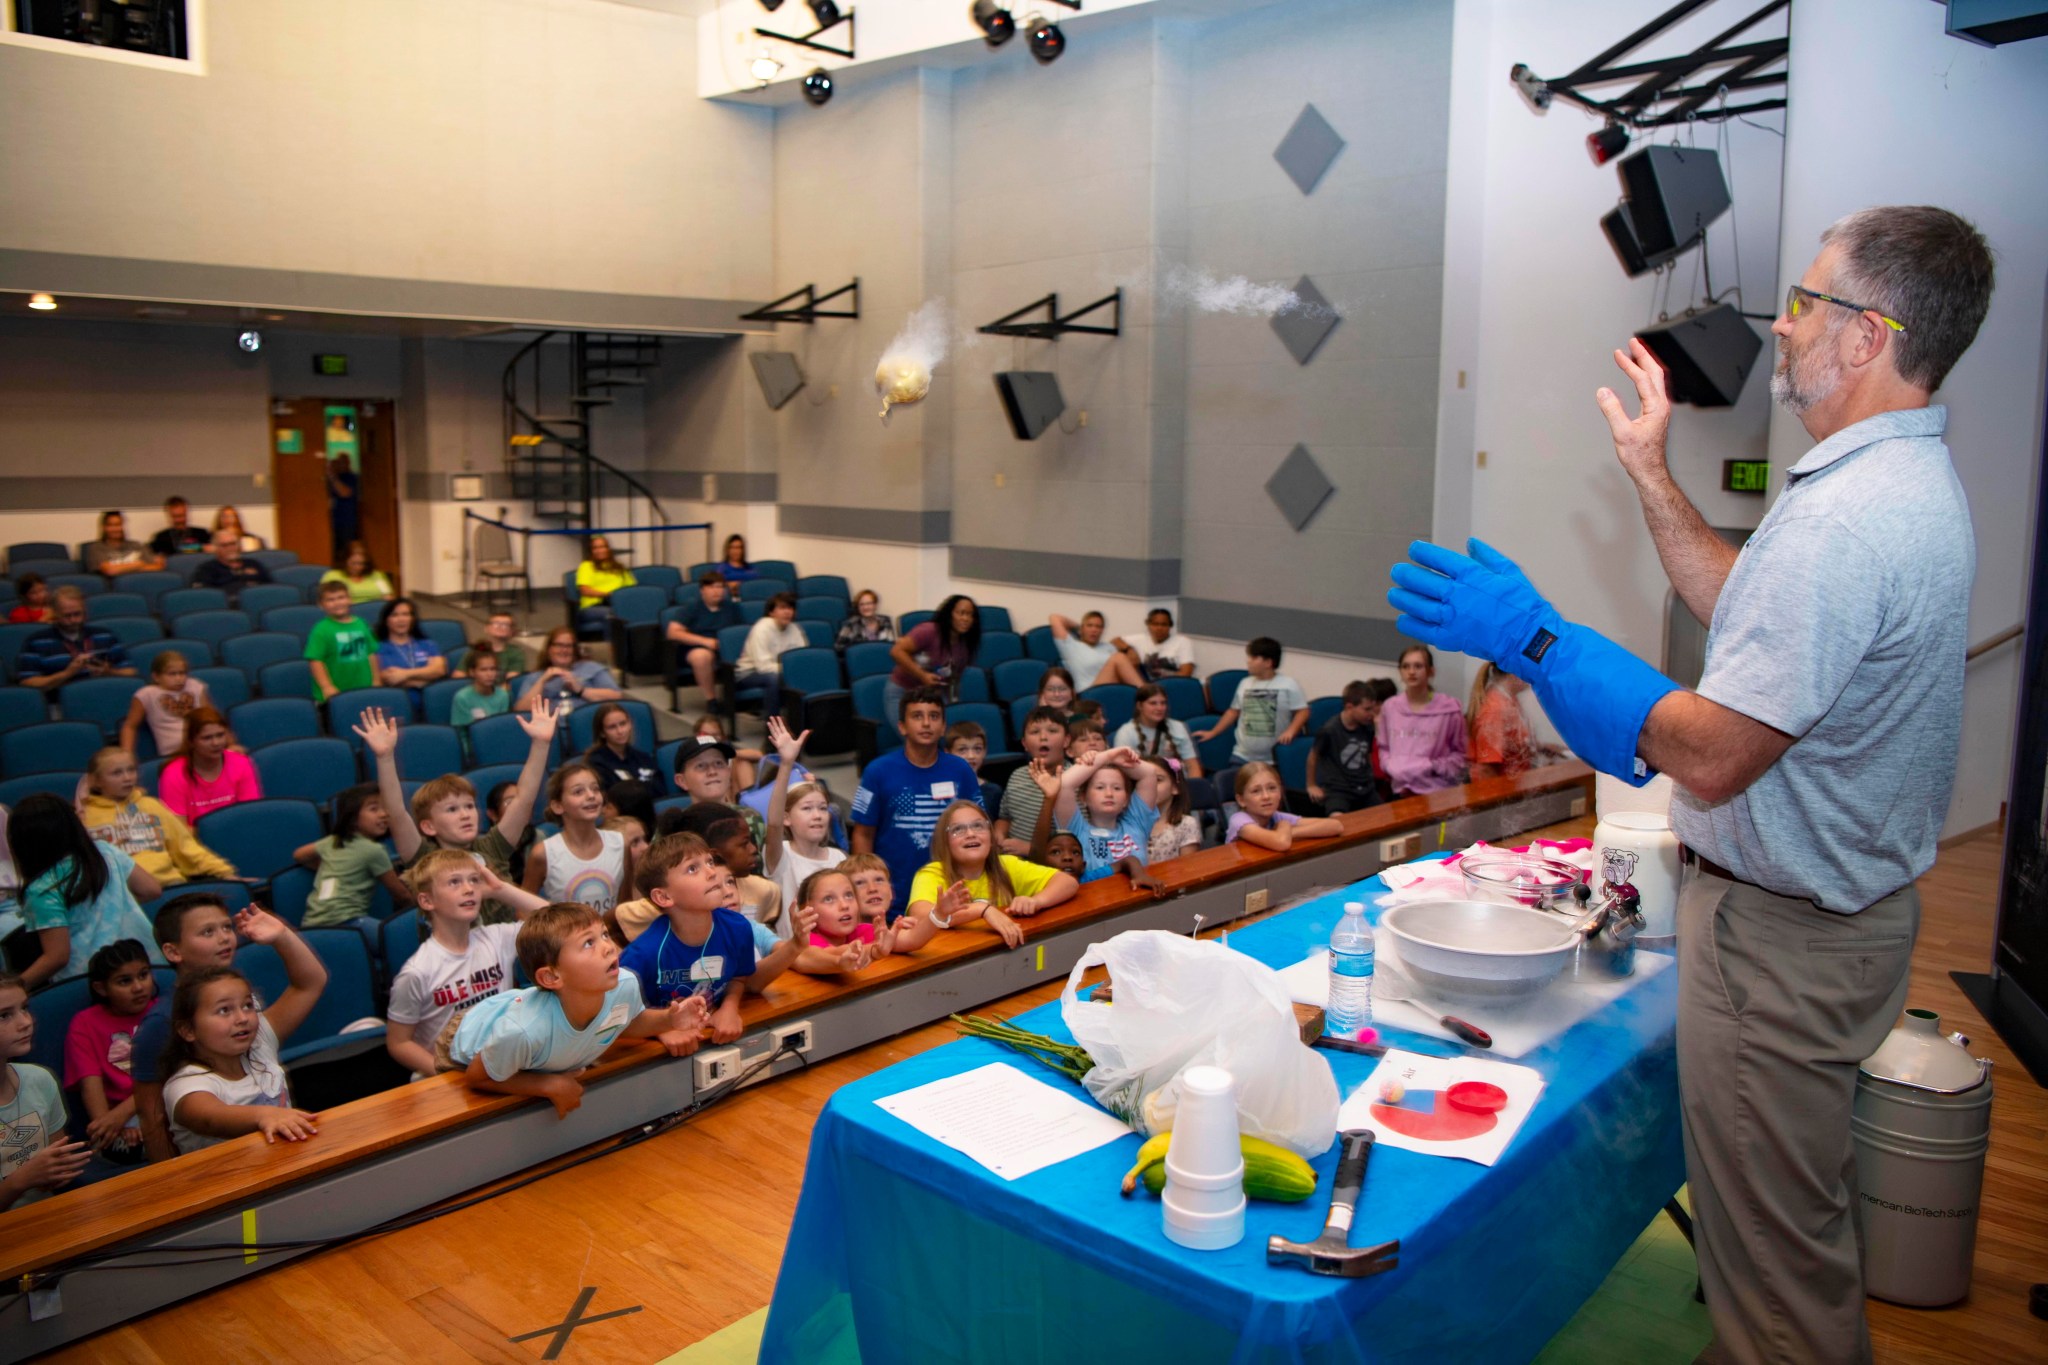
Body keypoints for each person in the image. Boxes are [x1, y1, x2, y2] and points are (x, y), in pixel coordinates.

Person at [1385, 207, 1995, 1365]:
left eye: (1808, 300)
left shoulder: (1850, 521)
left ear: (1868, 335)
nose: (1781, 320)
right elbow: (1746, 608)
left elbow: (1714, 750)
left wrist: (1541, 644)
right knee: (1760, 1237)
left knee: (1775, 1270)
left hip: (1785, 943)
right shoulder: (1888, 488)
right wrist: (1648, 474)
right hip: (1820, 927)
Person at [129, 894, 316, 1162]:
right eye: (208, 931)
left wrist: (282, 936)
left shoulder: (256, 1034)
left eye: (227, 927)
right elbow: (157, 1116)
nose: (224, 938)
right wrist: (171, 1185)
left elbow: (308, 984)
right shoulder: (161, 1025)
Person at [363, 701, 558, 924]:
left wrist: (541, 744)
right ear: (428, 826)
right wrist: (385, 758)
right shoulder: (424, 858)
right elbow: (396, 813)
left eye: (469, 806)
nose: (465, 814)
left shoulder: (491, 847)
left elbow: (523, 800)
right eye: (452, 810)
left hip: (502, 951)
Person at [385, 849, 549, 1080]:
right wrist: (448, 1075)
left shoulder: (496, 938)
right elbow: (399, 1043)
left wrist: (501, 889)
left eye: (474, 880)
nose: (469, 888)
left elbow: (556, 919)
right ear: (427, 900)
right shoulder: (417, 971)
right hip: (447, 1077)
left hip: (501, 1067)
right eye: (454, 882)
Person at [160, 962, 324, 1154]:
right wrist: (264, 1115)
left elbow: (310, 983)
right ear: (188, 1030)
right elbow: (210, 1118)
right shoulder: (186, 1084)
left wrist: (281, 935)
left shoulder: (259, 1046)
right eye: (224, 1010)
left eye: (247, 1006)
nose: (242, 1018)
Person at [851, 686, 986, 918]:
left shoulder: (960, 769)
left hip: (953, 893)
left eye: (933, 717)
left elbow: (980, 827)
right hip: (894, 897)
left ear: (943, 726)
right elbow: (863, 834)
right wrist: (866, 891)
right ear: (902, 726)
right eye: (917, 716)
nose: (926, 724)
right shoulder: (877, 771)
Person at [8, 793, 163, 989]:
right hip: (149, 971)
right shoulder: (105, 852)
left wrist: (14, 989)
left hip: (92, 986)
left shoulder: (41, 890)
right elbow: (151, 889)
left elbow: (56, 957)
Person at [906, 799, 1075, 948]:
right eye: (958, 829)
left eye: (978, 826)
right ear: (945, 842)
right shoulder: (932, 873)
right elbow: (921, 915)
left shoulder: (1006, 865)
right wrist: (982, 910)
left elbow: (1067, 882)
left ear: (991, 836)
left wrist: (1036, 901)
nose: (971, 834)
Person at [80, 747, 239, 888]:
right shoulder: (85, 817)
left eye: (131, 770)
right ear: (96, 781)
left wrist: (224, 873)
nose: (127, 778)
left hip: (169, 885)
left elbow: (186, 848)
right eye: (117, 773)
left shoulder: (152, 805)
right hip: (123, 895)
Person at [62, 939, 156, 1164]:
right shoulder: (84, 1023)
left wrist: (121, 1115)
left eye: (143, 975)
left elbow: (172, 1075)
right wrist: (112, 1127)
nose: (138, 987)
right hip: (124, 1121)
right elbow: (90, 1084)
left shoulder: (162, 1011)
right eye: (125, 981)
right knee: (120, 1146)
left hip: (168, 1103)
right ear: (101, 988)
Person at [0, 974, 89, 1209]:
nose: (26, 1021)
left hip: (45, 1215)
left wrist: (57, 1172)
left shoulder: (39, 1080)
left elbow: (56, 1168)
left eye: (24, 1008)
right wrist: (19, 1181)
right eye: (4, 1015)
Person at [293, 783, 415, 933]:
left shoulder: (333, 841)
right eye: (374, 809)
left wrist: (331, 866)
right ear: (352, 817)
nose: (384, 814)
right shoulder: (374, 851)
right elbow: (401, 895)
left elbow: (299, 854)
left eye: (385, 808)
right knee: (392, 939)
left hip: (311, 924)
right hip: (349, 921)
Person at [1047, 746, 1170, 890]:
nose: (1109, 793)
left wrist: (1114, 759)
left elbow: (1148, 774)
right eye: (1100, 787)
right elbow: (1064, 784)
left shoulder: (1136, 823)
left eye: (1117, 788)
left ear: (1126, 799)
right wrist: (1106, 756)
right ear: (1083, 797)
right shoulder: (1076, 831)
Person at [522, 763, 630, 915]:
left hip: (608, 937)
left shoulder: (620, 843)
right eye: (578, 792)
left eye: (595, 789)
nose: (591, 795)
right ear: (558, 806)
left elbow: (625, 904)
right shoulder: (544, 853)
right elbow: (523, 909)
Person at [1194, 636, 1307, 766]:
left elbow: (1303, 711)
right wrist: (1213, 732)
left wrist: (1291, 730)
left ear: (1268, 662)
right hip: (1242, 755)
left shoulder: (1289, 684)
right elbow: (1233, 712)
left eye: (1253, 658)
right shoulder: (1245, 683)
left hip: (1273, 759)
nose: (1248, 661)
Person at [1375, 644, 1467, 795]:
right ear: (1400, 671)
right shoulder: (1390, 707)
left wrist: (1431, 766)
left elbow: (1460, 755)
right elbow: (1384, 747)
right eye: (1406, 666)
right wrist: (1390, 765)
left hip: (1438, 792)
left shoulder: (1449, 709)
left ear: (1431, 671)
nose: (1411, 672)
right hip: (1401, 790)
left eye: (1418, 666)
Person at [156, 707, 262, 826]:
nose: (216, 743)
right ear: (191, 742)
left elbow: (250, 814)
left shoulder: (242, 763)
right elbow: (179, 830)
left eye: (220, 735)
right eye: (207, 738)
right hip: (194, 842)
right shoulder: (173, 774)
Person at [16, 586, 135, 692]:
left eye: (77, 614)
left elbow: (131, 672)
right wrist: (67, 674)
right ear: (55, 614)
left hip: (105, 694)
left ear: (85, 612)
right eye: (67, 616)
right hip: (59, 704)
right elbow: (28, 684)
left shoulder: (105, 635)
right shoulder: (36, 642)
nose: (73, 620)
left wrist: (109, 672)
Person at [885, 594, 979, 718]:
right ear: (949, 614)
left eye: (970, 615)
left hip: (932, 696)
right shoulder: (929, 631)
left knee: (950, 732)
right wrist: (922, 675)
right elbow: (896, 651)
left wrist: (954, 706)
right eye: (961, 613)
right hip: (903, 692)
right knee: (918, 736)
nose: (966, 618)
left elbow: (954, 680)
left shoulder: (964, 645)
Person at [669, 734, 767, 850]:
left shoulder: (751, 819)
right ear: (682, 781)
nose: (712, 771)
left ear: (729, 772)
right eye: (701, 766)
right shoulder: (674, 827)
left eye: (718, 763)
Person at [996, 705, 1070, 856]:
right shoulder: (1017, 776)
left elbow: (1081, 838)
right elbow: (1005, 817)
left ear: (1066, 740)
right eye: (1035, 732)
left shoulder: (1075, 778)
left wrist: (1030, 849)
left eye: (1052, 731)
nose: (1043, 737)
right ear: (1024, 744)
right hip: (1015, 863)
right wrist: (999, 833)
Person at [664, 571, 741, 710]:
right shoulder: (692, 606)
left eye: (720, 587)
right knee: (702, 656)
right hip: (694, 647)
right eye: (711, 587)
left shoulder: (731, 607)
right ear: (702, 590)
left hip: (723, 647)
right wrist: (705, 641)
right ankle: (711, 700)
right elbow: (672, 632)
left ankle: (737, 699)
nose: (716, 591)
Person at [1466, 663, 1554, 780]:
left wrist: (1544, 748)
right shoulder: (1495, 710)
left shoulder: (1509, 701)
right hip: (1498, 790)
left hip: (1515, 783)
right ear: (1513, 672)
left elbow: (1515, 744)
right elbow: (1487, 768)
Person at [1308, 681, 1384, 813]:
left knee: (1386, 818)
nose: (1372, 713)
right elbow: (1313, 757)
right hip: (1339, 790)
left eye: (1373, 708)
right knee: (1338, 821)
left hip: (1365, 788)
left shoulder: (1368, 726)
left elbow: (1368, 754)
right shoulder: (1329, 730)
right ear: (1349, 707)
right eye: (1367, 709)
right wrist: (1311, 785)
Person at [1227, 763, 1342, 849]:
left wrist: (1290, 832)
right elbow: (1281, 842)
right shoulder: (1238, 820)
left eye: (1272, 788)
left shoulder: (1278, 817)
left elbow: (1335, 826)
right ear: (1241, 800)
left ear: (1280, 792)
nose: (1266, 796)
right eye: (1256, 791)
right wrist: (1284, 826)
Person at [119, 648, 210, 756]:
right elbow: (130, 726)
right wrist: (126, 754)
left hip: (206, 747)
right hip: (174, 753)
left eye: (182, 673)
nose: (179, 678)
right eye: (172, 674)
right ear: (156, 677)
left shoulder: (195, 686)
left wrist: (231, 743)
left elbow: (213, 719)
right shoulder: (146, 694)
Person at [514, 626, 622, 716]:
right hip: (551, 729)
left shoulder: (591, 668)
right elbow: (522, 711)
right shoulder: (536, 677)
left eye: (569, 646)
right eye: (559, 645)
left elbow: (616, 697)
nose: (564, 650)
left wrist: (581, 690)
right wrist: (542, 681)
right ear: (549, 649)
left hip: (588, 725)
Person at [735, 591, 805, 721]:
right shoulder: (762, 629)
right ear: (771, 612)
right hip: (748, 673)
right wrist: (790, 670)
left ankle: (799, 724)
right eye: (782, 608)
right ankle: (773, 729)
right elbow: (763, 667)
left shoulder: (795, 628)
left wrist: (794, 670)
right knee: (773, 678)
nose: (787, 612)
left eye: (790, 608)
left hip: (780, 671)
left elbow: (801, 657)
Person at [305, 579, 376, 704]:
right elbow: (315, 661)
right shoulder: (321, 629)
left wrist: (376, 680)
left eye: (341, 597)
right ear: (321, 604)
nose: (337, 603)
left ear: (350, 599)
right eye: (330, 600)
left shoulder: (361, 623)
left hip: (364, 689)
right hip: (335, 693)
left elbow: (371, 653)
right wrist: (327, 687)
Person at [1113, 683, 1202, 776]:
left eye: (1163, 703)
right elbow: (1125, 771)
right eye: (1153, 703)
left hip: (1179, 783)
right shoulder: (1126, 733)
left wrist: (1193, 788)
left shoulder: (1178, 727)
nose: (1160, 708)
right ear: (1139, 706)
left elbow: (1192, 765)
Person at [1048, 610, 1147, 688]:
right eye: (1089, 626)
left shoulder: (1109, 647)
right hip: (1089, 692)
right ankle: (1147, 695)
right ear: (1082, 628)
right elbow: (1054, 617)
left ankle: (1146, 696)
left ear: (1102, 630)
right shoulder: (1070, 645)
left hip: (1113, 687)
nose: (1094, 630)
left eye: (1098, 627)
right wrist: (1078, 628)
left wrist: (1130, 650)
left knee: (1125, 661)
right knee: (1119, 657)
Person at [583, 702, 663, 793]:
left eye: (623, 724)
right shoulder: (596, 763)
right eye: (612, 727)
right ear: (602, 733)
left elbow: (660, 791)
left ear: (630, 724)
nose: (620, 731)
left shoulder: (644, 758)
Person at [374, 597, 448, 696]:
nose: (401, 620)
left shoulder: (427, 644)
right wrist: (426, 679)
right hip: (397, 702)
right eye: (394, 615)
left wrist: (405, 674)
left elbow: (439, 670)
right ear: (386, 620)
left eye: (406, 614)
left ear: (412, 619)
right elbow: (389, 678)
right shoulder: (379, 648)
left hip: (429, 701)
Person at [573, 534, 635, 634]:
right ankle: (614, 648)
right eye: (595, 548)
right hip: (592, 607)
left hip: (617, 603)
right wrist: (609, 594)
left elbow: (631, 586)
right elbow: (584, 590)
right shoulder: (586, 566)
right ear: (591, 551)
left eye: (602, 547)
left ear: (608, 549)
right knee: (613, 613)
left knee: (630, 610)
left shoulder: (619, 567)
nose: (599, 550)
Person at [192, 527, 271, 604]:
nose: (230, 548)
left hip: (258, 602)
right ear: (216, 549)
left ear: (239, 545)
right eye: (224, 545)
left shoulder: (253, 564)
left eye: (233, 544)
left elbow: (270, 587)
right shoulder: (206, 569)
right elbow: (204, 597)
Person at [1143, 756, 1200, 862]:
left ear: (1175, 787)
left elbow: (1188, 869)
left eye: (1158, 780)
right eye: (1142, 780)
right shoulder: (1128, 824)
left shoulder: (1186, 825)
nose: (1149, 785)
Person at [1117, 607, 1196, 680]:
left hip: (1172, 684)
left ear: (1170, 626)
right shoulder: (1140, 639)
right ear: (1148, 625)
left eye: (1164, 625)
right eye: (1155, 624)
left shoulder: (1182, 642)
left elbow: (1186, 673)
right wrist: (1129, 649)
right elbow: (1115, 641)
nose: (1159, 628)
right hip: (1145, 687)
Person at [450, 644, 511, 737]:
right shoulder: (462, 697)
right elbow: (461, 733)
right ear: (472, 672)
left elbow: (503, 727)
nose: (489, 674)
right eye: (483, 670)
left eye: (493, 669)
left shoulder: (503, 695)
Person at [82, 509, 164, 578]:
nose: (115, 529)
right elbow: (110, 570)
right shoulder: (96, 548)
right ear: (104, 528)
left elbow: (157, 567)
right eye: (111, 525)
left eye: (118, 524)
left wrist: (122, 569)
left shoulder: (136, 545)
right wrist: (138, 564)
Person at [945, 720, 1002, 813]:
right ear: (948, 753)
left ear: (985, 751)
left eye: (977, 749)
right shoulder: (940, 789)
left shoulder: (993, 791)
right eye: (962, 750)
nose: (971, 756)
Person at [319, 541, 394, 606]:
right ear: (345, 561)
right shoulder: (332, 576)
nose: (358, 567)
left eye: (362, 563)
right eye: (353, 563)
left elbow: (388, 596)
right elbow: (324, 601)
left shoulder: (376, 575)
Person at [325, 455, 359, 564]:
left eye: (342, 463)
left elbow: (344, 493)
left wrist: (333, 477)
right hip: (333, 520)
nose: (340, 466)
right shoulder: (335, 478)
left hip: (347, 520)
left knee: (347, 549)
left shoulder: (351, 477)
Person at [480, 611, 531, 677]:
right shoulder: (477, 649)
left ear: (512, 631)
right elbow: (463, 674)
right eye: (496, 624)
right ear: (486, 628)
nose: (500, 627)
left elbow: (511, 678)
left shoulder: (516, 653)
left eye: (505, 625)